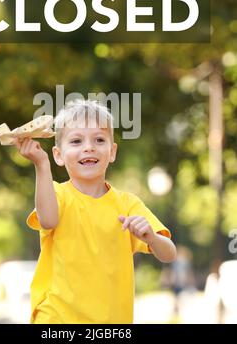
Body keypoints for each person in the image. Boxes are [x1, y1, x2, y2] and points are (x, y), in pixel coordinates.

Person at [15, 99, 176, 324]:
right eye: (76, 141)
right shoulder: (56, 194)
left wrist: (151, 237)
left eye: (99, 139)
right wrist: (41, 165)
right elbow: (48, 220)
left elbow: (169, 253)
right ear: (58, 155)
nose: (88, 147)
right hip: (58, 319)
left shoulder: (127, 203)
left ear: (112, 151)